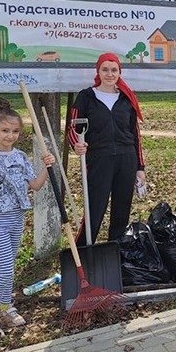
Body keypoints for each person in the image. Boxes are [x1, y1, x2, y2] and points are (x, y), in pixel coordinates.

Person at [0, 98, 55, 339]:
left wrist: (47, 168)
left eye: (15, 131)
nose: (10, 136)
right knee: (5, 270)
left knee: (9, 268)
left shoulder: (20, 157)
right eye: (5, 130)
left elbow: (35, 186)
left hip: (16, 219)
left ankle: (6, 308)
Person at [67, 52, 145, 245]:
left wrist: (140, 168)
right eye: (105, 70)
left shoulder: (127, 99)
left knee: (122, 209)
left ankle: (115, 250)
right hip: (99, 159)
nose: (109, 74)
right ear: (98, 71)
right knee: (95, 207)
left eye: (114, 70)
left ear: (119, 72)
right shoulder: (86, 97)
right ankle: (83, 251)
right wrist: (76, 144)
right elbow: (72, 127)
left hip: (126, 159)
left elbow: (135, 134)